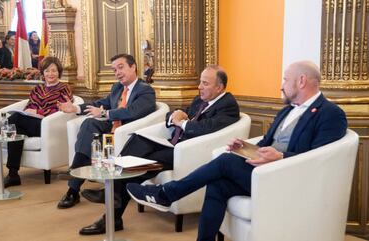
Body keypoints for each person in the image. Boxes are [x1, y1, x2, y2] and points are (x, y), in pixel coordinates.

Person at [126, 60, 348, 241]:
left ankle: (167, 193)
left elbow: (321, 161)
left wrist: (281, 157)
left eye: (285, 80)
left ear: (301, 81)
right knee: (217, 184)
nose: (281, 85)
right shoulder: (286, 111)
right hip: (265, 172)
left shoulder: (330, 113)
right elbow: (266, 145)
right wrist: (245, 148)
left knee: (225, 161)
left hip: (288, 178)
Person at [77, 65, 241, 235]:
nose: (199, 87)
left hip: (188, 153)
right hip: (174, 144)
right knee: (138, 139)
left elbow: (204, 128)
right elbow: (174, 115)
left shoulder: (228, 105)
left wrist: (181, 122)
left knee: (142, 164)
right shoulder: (200, 100)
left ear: (219, 87)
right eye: (200, 82)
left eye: (205, 83)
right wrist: (174, 118)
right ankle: (112, 192)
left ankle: (111, 203)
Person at [56, 53, 156, 211]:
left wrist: (105, 114)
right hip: (111, 129)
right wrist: (75, 108)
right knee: (89, 123)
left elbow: (132, 112)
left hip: (127, 134)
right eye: (114, 70)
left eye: (121, 67)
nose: (117, 73)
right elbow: (101, 103)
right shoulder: (117, 88)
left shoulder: (146, 90)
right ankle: (74, 181)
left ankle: (72, 188)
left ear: (133, 67)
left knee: (94, 137)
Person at [0, 57, 73, 188]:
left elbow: (63, 109)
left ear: (59, 72)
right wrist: (30, 111)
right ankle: (13, 175)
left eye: (54, 71)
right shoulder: (37, 89)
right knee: (15, 129)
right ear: (43, 73)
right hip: (31, 124)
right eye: (47, 71)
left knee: (15, 119)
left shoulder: (64, 88)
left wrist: (40, 114)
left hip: (49, 126)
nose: (50, 74)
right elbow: (29, 107)